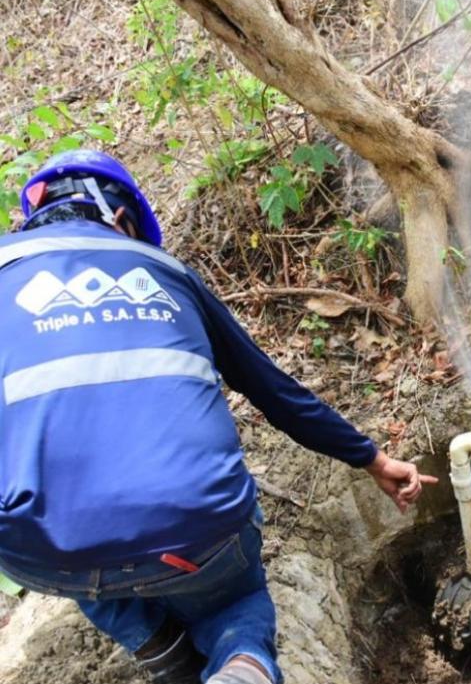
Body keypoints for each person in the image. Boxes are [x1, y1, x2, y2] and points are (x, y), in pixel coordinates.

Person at [0, 150, 438, 683]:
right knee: (239, 605)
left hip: (41, 547)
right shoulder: (164, 271)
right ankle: (239, 658)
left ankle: (160, 648)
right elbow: (276, 393)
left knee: (64, 550)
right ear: (122, 221)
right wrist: (373, 459)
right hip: (198, 527)